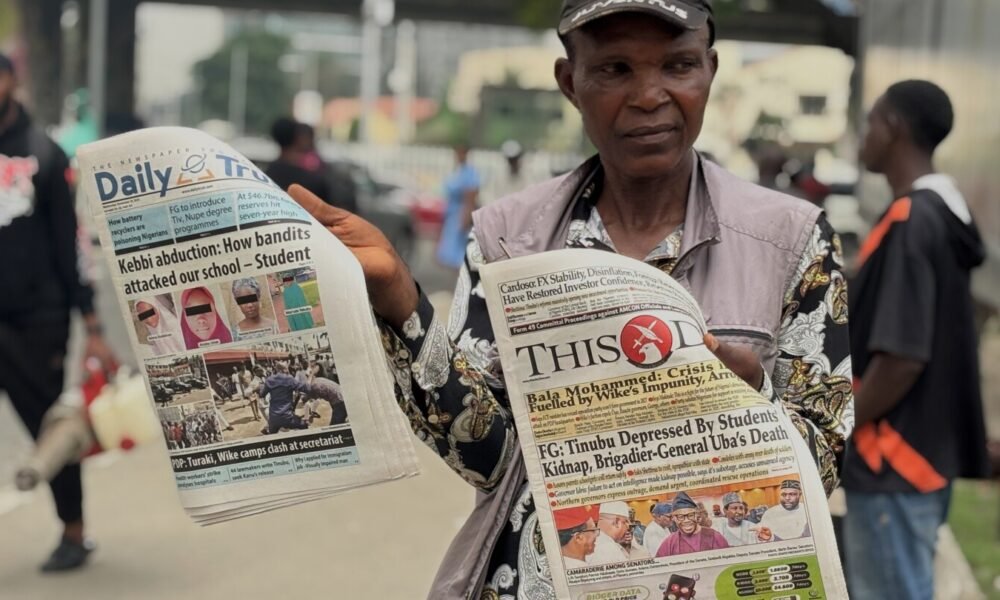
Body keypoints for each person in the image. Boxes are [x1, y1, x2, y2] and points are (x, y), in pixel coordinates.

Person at [287, 0, 853, 595]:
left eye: (678, 66)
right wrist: (402, 300)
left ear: (710, 70)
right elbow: (487, 459)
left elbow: (823, 469)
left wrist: (752, 400)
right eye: (614, 69)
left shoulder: (792, 242)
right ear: (569, 82)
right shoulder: (506, 240)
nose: (649, 96)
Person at [842, 80, 989, 600]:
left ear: (893, 128)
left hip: (892, 458)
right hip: (923, 453)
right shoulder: (941, 214)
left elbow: (902, 357)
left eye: (870, 123)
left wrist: (839, 426)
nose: (864, 137)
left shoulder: (910, 220)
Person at [0, 52, 114, 572]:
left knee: (54, 429)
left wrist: (92, 325)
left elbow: (72, 244)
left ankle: (74, 532)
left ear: (11, 81)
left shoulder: (43, 153)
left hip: (35, 321)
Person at [436, 143, 480, 269]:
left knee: (459, 257)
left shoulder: (470, 172)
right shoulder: (456, 171)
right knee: (449, 257)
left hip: (461, 215)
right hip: (451, 216)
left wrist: (465, 218)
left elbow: (471, 197)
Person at [656, 493, 729, 557]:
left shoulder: (714, 536)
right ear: (674, 518)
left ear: (697, 515)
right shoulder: (669, 543)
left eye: (690, 515)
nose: (686, 520)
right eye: (680, 517)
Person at [257, 361, 310, 435]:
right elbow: (304, 388)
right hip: (287, 416)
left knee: (272, 434)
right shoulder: (289, 379)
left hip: (273, 417)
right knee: (304, 425)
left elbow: (262, 394)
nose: (288, 370)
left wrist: (259, 387)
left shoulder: (269, 380)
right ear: (283, 369)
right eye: (287, 368)